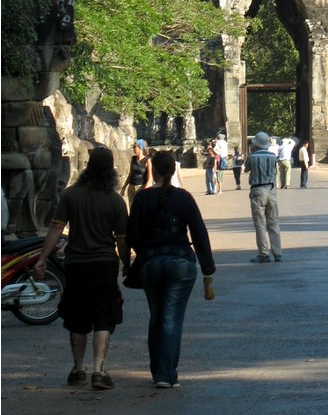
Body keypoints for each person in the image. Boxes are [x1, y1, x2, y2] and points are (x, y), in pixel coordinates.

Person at [34, 147, 130, 390]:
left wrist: (42, 258)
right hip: (105, 264)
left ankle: (78, 369)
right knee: (103, 317)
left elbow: (56, 229)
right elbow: (121, 239)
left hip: (76, 264)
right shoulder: (116, 201)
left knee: (77, 318)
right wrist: (127, 264)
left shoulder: (70, 195)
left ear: (88, 166)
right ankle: (99, 370)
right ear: (111, 170)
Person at [126, 151, 215, 388]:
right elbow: (198, 233)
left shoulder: (143, 199)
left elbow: (132, 235)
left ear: (153, 171)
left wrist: (146, 250)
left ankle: (160, 372)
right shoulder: (184, 198)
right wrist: (208, 267)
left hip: (151, 263)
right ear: (173, 171)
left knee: (157, 317)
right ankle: (165, 374)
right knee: (171, 319)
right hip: (180, 262)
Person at [244, 131, 282, 263]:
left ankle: (264, 253)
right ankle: (277, 252)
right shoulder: (273, 156)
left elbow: (246, 169)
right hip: (271, 189)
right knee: (273, 222)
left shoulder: (252, 156)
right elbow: (274, 171)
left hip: (258, 190)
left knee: (260, 223)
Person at [120, 140, 153, 207]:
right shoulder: (133, 158)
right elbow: (130, 174)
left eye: (135, 146)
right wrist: (124, 187)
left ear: (140, 148)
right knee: (132, 209)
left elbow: (150, 179)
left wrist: (144, 191)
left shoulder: (147, 160)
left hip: (141, 187)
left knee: (141, 209)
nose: (133, 148)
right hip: (131, 187)